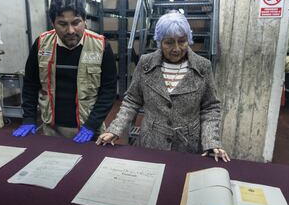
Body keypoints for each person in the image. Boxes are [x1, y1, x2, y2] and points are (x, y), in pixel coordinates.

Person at [96, 11, 230, 162]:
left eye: (182, 41)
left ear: (189, 39)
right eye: (169, 42)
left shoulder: (202, 66)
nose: (177, 48)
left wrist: (211, 141)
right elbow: (132, 100)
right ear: (159, 41)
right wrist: (115, 129)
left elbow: (210, 107)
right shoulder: (146, 64)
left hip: (188, 146)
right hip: (151, 143)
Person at [13, 0, 117, 143]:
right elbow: (30, 84)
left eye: (76, 22)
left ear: (84, 20)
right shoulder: (41, 44)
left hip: (89, 129)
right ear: (52, 22)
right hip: (52, 129)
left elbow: (108, 91)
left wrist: (91, 125)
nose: (70, 31)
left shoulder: (101, 46)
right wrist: (29, 118)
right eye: (62, 24)